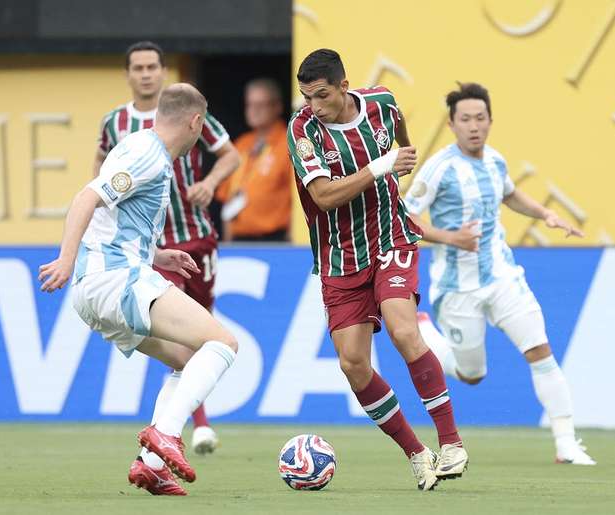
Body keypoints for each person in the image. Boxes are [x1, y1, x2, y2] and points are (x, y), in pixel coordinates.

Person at [39, 83, 238, 496]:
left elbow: (117, 222)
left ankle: (151, 466)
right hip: (112, 278)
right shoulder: (147, 153)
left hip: (102, 286)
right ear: (196, 122)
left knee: (185, 359)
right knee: (222, 343)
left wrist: (160, 256)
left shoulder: (144, 150)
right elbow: (85, 198)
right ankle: (165, 434)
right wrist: (66, 258)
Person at [287, 49, 469, 491]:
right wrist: (381, 166)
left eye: (322, 95)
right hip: (339, 257)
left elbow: (400, 136)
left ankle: (451, 442)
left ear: (344, 86)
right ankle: (417, 453)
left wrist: (399, 160)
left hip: (391, 237)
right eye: (307, 97)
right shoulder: (302, 131)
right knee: (353, 364)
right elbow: (326, 197)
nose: (314, 106)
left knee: (404, 328)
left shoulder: (381, 102)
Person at [403, 82, 595, 465]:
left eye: (480, 118)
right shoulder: (439, 168)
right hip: (458, 288)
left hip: (504, 276)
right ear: (452, 124)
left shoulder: (495, 161)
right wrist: (450, 238)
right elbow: (404, 216)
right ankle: (424, 328)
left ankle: (566, 443)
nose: (474, 126)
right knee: (472, 374)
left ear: (490, 121)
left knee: (540, 351)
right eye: (465, 119)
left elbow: (508, 193)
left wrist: (546, 214)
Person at [94, 41, 240, 462]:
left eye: (152, 66)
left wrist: (210, 184)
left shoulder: (186, 110)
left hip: (196, 236)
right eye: (137, 67)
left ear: (162, 71)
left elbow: (229, 156)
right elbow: (98, 179)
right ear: (128, 74)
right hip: (148, 251)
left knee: (202, 336)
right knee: (197, 341)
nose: (146, 74)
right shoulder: (116, 122)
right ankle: (189, 429)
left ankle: (158, 451)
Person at [216, 78, 291, 241]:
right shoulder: (241, 144)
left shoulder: (288, 143)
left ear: (277, 107)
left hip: (276, 242)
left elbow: (299, 200)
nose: (253, 111)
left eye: (260, 105)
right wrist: (228, 245)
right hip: (239, 240)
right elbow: (228, 198)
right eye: (250, 105)